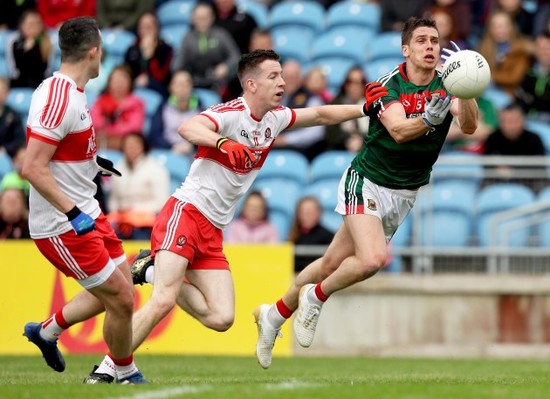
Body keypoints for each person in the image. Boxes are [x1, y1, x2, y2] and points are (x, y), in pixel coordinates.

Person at [87, 48, 387, 381]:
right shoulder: (231, 113)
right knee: (164, 301)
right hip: (186, 212)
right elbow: (189, 127)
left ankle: (153, 269)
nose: (281, 82)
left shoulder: (275, 119)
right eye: (273, 76)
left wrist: (363, 108)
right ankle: (110, 368)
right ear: (251, 84)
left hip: (213, 228)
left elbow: (318, 115)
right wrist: (223, 143)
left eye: (281, 76)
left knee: (222, 318)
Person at [253, 17, 479, 369]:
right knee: (372, 259)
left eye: (435, 40)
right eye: (421, 41)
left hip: (404, 193)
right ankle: (317, 295)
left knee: (330, 263)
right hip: (367, 179)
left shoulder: (446, 85)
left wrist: (467, 88)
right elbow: (401, 130)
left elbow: (468, 126)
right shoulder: (384, 85)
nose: (431, 46)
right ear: (406, 50)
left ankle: (274, 316)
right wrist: (431, 121)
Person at [20, 16, 146, 384]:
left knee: (122, 286)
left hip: (86, 209)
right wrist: (73, 212)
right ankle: (122, 373)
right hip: (63, 222)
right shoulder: (59, 98)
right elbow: (32, 167)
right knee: (121, 299)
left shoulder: (73, 91)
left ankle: (46, 331)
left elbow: (61, 152)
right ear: (93, 52)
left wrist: (92, 163)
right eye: (101, 49)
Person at [107, 133, 170, 240]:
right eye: (127, 145)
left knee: (139, 237)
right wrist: (118, 210)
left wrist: (134, 211)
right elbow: (113, 199)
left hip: (145, 222)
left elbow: (161, 202)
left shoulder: (156, 169)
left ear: (143, 146)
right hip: (120, 220)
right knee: (108, 236)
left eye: (135, 145)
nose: (131, 148)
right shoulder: (117, 168)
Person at [173, 2, 241, 93]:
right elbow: (177, 65)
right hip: (194, 84)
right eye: (199, 18)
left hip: (220, 82)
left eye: (205, 17)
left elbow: (236, 56)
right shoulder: (187, 39)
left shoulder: (221, 35)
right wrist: (184, 75)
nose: (202, 21)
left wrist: (226, 67)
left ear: (212, 18)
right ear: (193, 19)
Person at [482, 102, 547, 193]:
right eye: (507, 121)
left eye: (514, 121)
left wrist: (514, 171)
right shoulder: (492, 139)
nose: (511, 126)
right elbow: (486, 165)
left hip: (529, 181)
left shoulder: (534, 139)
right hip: (499, 180)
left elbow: (540, 167)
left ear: (523, 121)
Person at [274, 59, 327, 161]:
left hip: (301, 153)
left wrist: (286, 140)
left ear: (301, 79)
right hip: (273, 151)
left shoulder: (312, 99)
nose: (290, 80)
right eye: (286, 77)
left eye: (294, 77)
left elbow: (316, 132)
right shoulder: (273, 98)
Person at [476, 10, 533, 96]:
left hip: (509, 95)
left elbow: (514, 77)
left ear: (511, 27)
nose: (499, 30)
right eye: (495, 26)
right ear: (490, 29)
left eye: (503, 26)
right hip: (484, 91)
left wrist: (491, 76)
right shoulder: (483, 48)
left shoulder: (521, 50)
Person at [90, 64, 145, 150]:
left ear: (130, 83)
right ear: (109, 82)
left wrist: (108, 130)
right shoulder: (101, 100)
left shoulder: (137, 103)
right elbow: (93, 121)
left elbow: (135, 127)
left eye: (123, 80)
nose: (119, 84)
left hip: (124, 144)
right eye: (116, 80)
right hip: (102, 141)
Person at [148, 70, 203, 155]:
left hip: (193, 153)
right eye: (178, 84)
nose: (182, 88)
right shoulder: (163, 107)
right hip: (167, 151)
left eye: (185, 84)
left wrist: (192, 146)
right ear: (171, 87)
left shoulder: (200, 109)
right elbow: (154, 134)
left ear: (191, 86)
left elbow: (206, 135)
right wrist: (172, 146)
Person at [123, 12, 174, 98]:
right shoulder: (132, 49)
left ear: (156, 28)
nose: (146, 31)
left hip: (159, 89)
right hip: (134, 88)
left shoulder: (165, 49)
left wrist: (149, 56)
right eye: (143, 27)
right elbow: (127, 74)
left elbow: (162, 76)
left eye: (149, 27)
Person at [325, 66, 369, 153]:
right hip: (340, 149)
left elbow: (378, 133)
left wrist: (362, 140)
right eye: (350, 82)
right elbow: (330, 134)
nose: (354, 86)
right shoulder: (335, 104)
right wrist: (346, 140)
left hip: (368, 150)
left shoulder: (373, 105)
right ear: (345, 84)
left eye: (359, 82)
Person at [6, 9, 53, 89]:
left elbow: (45, 71)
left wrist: (34, 50)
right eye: (30, 24)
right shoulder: (14, 41)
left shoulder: (47, 42)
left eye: (37, 24)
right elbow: (14, 70)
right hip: (18, 83)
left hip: (40, 84)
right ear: (22, 25)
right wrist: (25, 51)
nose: (33, 28)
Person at [288, 196, 334, 273]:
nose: (308, 215)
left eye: (311, 212)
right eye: (304, 212)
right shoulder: (293, 235)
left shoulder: (329, 236)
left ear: (319, 213)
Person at [516, 30, 550, 123]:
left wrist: (531, 99)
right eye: (540, 47)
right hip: (525, 119)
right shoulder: (528, 70)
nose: (543, 51)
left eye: (547, 47)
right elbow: (520, 95)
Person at [0, 78, 25, 159]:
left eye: (2, 91)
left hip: (9, 154)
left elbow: (20, 139)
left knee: (23, 154)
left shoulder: (14, 115)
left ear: (7, 93)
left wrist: (6, 149)